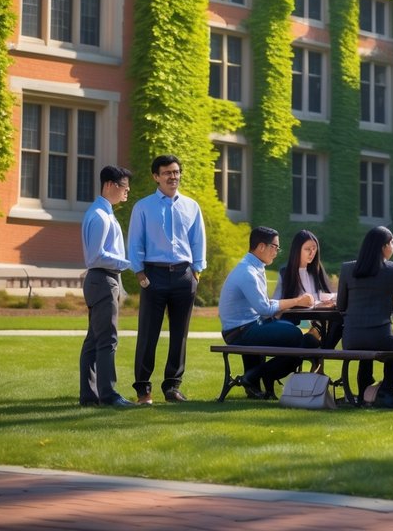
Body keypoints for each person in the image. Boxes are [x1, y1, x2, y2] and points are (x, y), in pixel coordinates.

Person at [128, 154, 206, 405]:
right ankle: (143, 389)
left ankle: (172, 386)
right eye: (167, 173)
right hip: (154, 275)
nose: (173, 177)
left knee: (179, 334)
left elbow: (198, 240)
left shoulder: (191, 206)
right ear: (156, 177)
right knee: (148, 334)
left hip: (184, 275)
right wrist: (140, 274)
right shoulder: (143, 206)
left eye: (176, 172)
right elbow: (135, 241)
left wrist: (196, 272)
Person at [218, 227, 314, 399]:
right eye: (274, 247)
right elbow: (265, 308)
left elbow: (264, 307)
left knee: (295, 334)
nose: (276, 252)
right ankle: (257, 376)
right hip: (241, 331)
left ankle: (255, 379)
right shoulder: (247, 272)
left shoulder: (254, 267)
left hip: (249, 325)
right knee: (295, 335)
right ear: (261, 246)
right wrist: (297, 301)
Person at [79, 165, 135, 408]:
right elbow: (95, 256)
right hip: (102, 279)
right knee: (107, 340)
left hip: (101, 280)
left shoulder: (104, 213)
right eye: (124, 186)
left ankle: (90, 396)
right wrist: (128, 262)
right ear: (111, 185)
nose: (127, 191)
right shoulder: (100, 217)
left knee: (94, 340)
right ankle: (108, 394)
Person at [337, 226, 393, 409]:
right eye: (392, 242)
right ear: (384, 246)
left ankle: (363, 396)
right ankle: (386, 390)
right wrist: (386, 303)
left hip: (352, 338)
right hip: (381, 336)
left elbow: (340, 306)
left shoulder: (347, 269)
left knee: (365, 356)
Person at [274, 229, 340, 348]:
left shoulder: (317, 272)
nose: (312, 253)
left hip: (317, 322)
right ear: (297, 250)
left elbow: (328, 295)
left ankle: (324, 348)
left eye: (314, 249)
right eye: (307, 249)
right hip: (293, 323)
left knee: (339, 322)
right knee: (309, 340)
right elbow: (276, 304)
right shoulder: (285, 273)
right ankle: (316, 346)